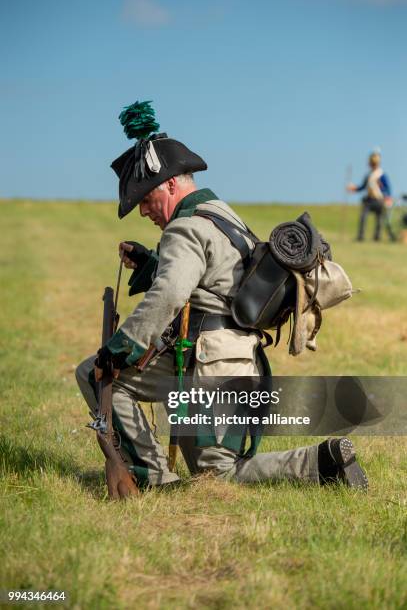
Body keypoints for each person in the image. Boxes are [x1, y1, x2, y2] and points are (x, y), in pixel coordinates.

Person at [76, 101, 368, 491]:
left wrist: (119, 347)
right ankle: (324, 460)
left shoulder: (184, 229)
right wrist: (149, 260)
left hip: (205, 368)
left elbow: (170, 294)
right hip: (239, 367)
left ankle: (154, 479)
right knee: (220, 474)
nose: (144, 211)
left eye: (146, 199)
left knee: (97, 375)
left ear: (170, 184)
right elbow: (215, 279)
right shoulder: (220, 214)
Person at [347, 150, 396, 242]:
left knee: (379, 220)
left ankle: (377, 237)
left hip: (379, 200)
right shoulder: (368, 175)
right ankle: (360, 236)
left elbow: (388, 188)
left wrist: (388, 197)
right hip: (369, 200)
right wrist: (353, 188)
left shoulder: (382, 175)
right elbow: (362, 187)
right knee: (363, 217)